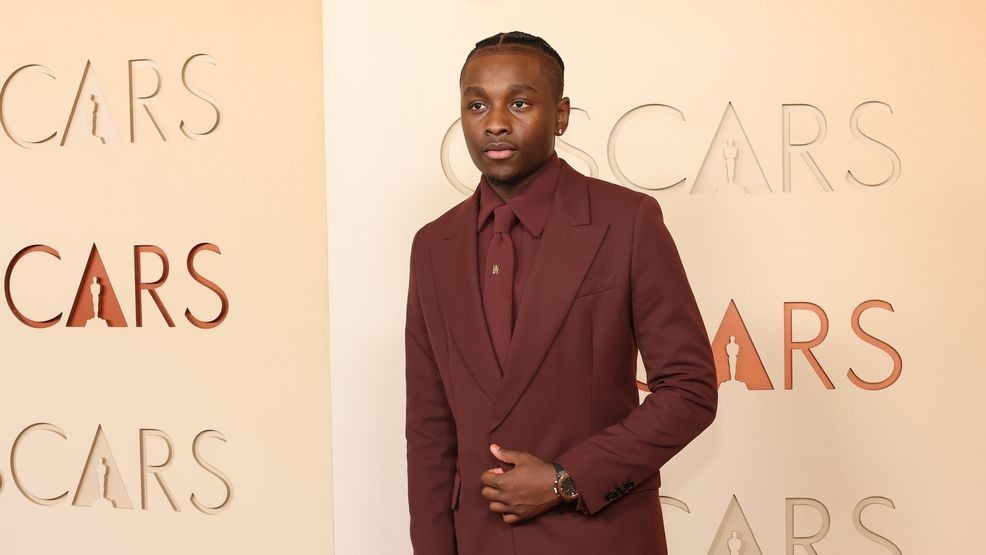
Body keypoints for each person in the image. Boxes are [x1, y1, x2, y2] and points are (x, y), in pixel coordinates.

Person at [405, 31, 717, 555]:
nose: (495, 122)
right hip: (479, 541)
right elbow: (429, 427)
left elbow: (690, 390)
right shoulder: (433, 245)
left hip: (601, 537)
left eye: (519, 103)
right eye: (477, 105)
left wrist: (565, 479)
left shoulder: (627, 222)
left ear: (562, 115)